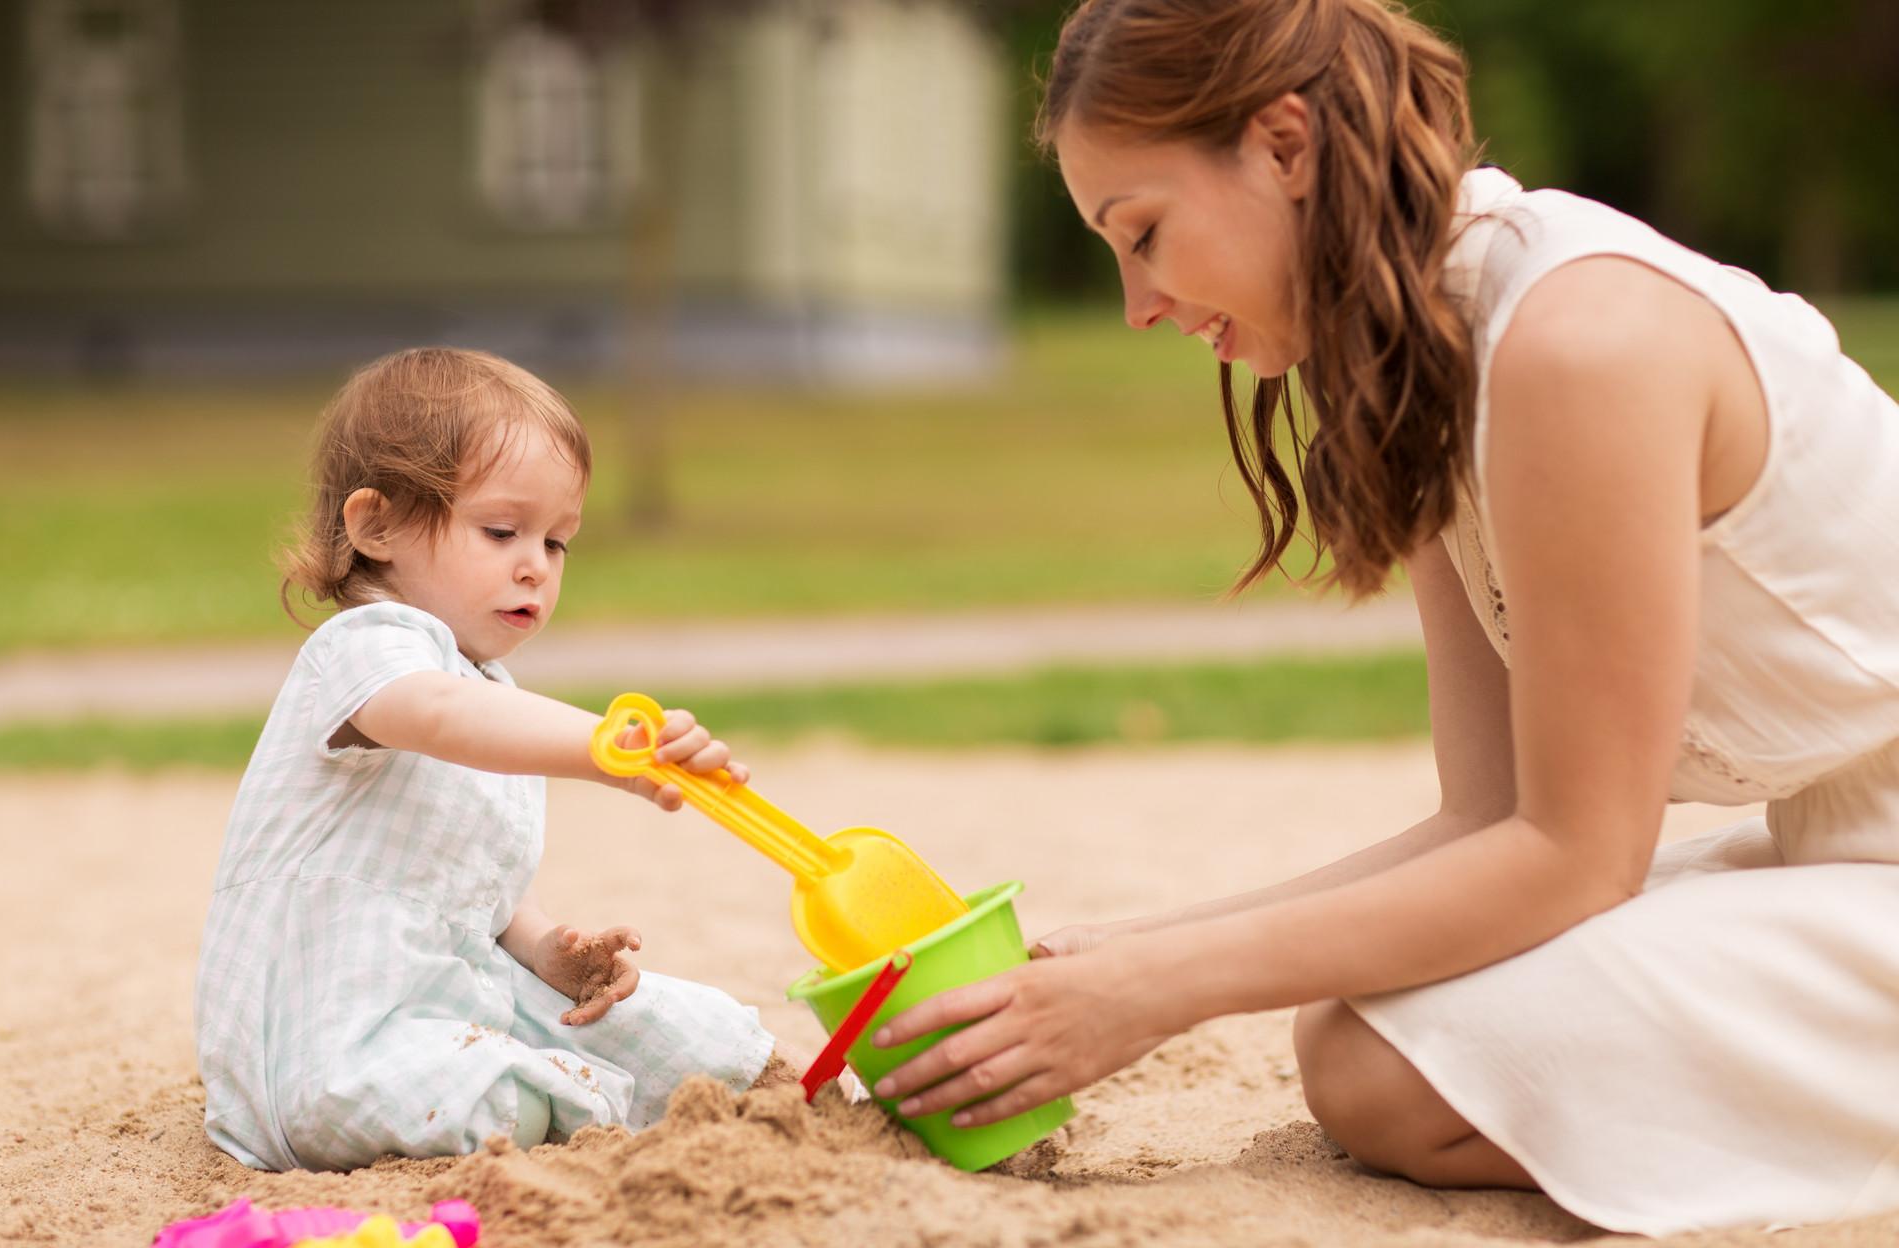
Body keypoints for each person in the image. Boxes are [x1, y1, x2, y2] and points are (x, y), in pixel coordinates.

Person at [870, 0, 1899, 1234]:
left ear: (1285, 147)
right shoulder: (1416, 362)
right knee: (1369, 1028)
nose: (1137, 303)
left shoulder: (1578, 343)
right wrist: (1115, 955)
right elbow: (1492, 816)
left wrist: (1163, 991)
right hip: (1843, 843)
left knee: (1383, 1069)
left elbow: (1579, 856)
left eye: (1142, 233)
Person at [194, 347, 790, 1171]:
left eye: (558, 543)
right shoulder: (365, 648)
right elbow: (437, 713)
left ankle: (771, 1093)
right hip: (326, 1047)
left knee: (682, 1030)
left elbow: (477, 882)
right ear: (377, 526)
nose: (534, 566)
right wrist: (604, 749)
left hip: (446, 999)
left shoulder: (488, 686)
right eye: (502, 530)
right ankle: (594, 1116)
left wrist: (548, 949)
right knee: (512, 1091)